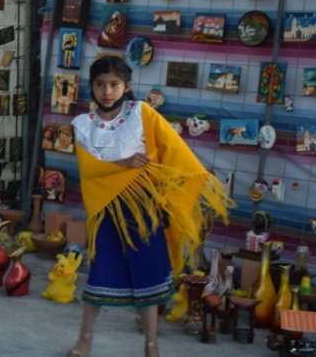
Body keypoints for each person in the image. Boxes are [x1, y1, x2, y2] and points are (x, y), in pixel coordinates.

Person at [67, 56, 231, 357]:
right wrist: (125, 164)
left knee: (149, 276)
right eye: (100, 84)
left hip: (143, 210)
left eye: (114, 84)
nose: (107, 91)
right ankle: (85, 339)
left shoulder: (142, 113)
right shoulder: (83, 124)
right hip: (107, 209)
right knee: (99, 275)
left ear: (127, 86)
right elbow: (90, 169)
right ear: (91, 86)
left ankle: (151, 344)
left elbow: (174, 151)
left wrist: (182, 186)